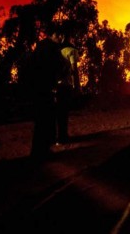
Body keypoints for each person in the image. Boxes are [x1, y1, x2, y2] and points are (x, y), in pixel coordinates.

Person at [27, 25, 67, 160]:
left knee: (41, 120)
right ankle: (42, 152)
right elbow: (60, 65)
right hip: (45, 88)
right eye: (60, 35)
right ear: (54, 34)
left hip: (36, 88)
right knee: (47, 119)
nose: (61, 38)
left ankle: (38, 150)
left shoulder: (40, 45)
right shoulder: (52, 48)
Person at [55, 33, 80, 145]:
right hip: (66, 85)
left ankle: (58, 136)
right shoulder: (71, 51)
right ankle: (63, 137)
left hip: (56, 85)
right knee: (64, 112)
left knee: (59, 112)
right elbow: (74, 69)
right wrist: (76, 86)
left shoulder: (58, 51)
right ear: (70, 38)